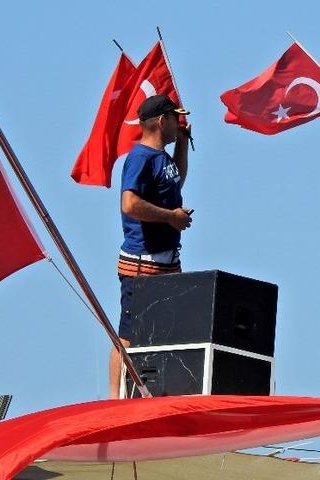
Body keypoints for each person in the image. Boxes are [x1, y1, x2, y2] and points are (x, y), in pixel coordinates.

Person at [109, 95, 192, 399]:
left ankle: (151, 392)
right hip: (143, 263)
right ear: (161, 121)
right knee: (129, 334)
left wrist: (183, 144)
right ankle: (114, 399)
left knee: (166, 332)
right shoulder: (140, 157)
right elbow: (129, 203)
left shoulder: (162, 158)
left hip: (167, 262)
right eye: (174, 119)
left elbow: (175, 182)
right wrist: (171, 217)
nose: (178, 124)